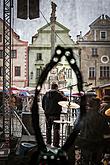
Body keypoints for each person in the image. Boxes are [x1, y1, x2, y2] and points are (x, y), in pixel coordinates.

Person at [77, 97, 110, 165]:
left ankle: (84, 160)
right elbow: (107, 132)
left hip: (84, 142)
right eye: (99, 104)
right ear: (97, 106)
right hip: (96, 144)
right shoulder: (101, 118)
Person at [42, 82, 67, 147]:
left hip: (47, 115)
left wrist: (46, 110)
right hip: (56, 114)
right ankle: (55, 144)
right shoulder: (58, 94)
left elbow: (43, 104)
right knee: (56, 130)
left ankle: (48, 143)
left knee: (48, 129)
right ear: (56, 87)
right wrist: (61, 93)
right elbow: (66, 100)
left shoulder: (46, 94)